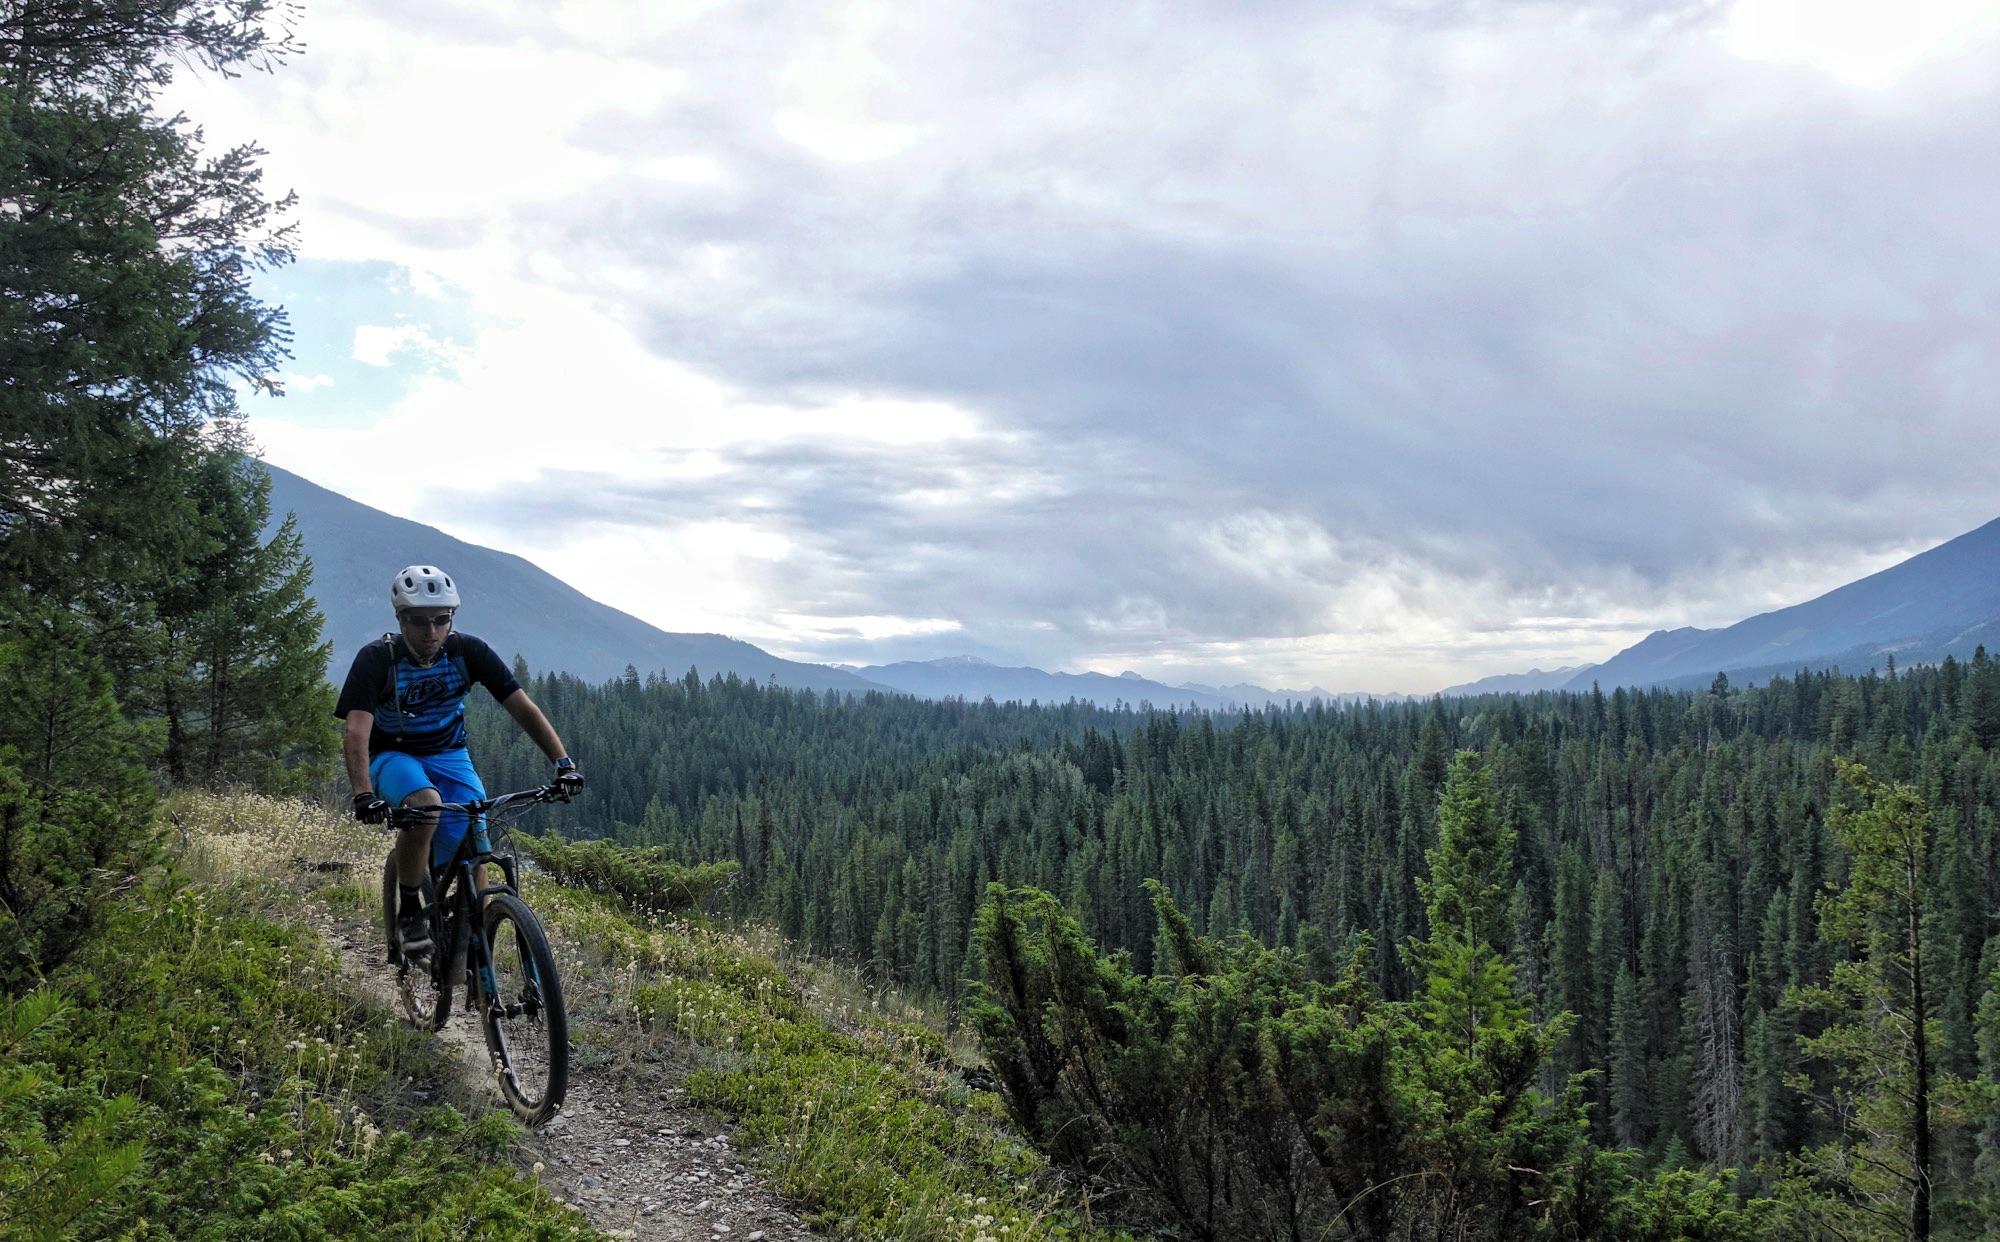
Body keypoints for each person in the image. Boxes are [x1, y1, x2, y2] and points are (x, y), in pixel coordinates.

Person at [335, 564, 583, 960]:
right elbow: (357, 732)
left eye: (441, 620)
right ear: (400, 619)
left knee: (474, 826)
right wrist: (363, 793)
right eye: (419, 622)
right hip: (393, 754)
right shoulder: (377, 660)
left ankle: (476, 929)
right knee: (426, 806)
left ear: (452, 618)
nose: (431, 632)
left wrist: (563, 763)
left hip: (450, 754)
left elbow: (522, 707)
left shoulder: (468, 652)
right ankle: (411, 908)